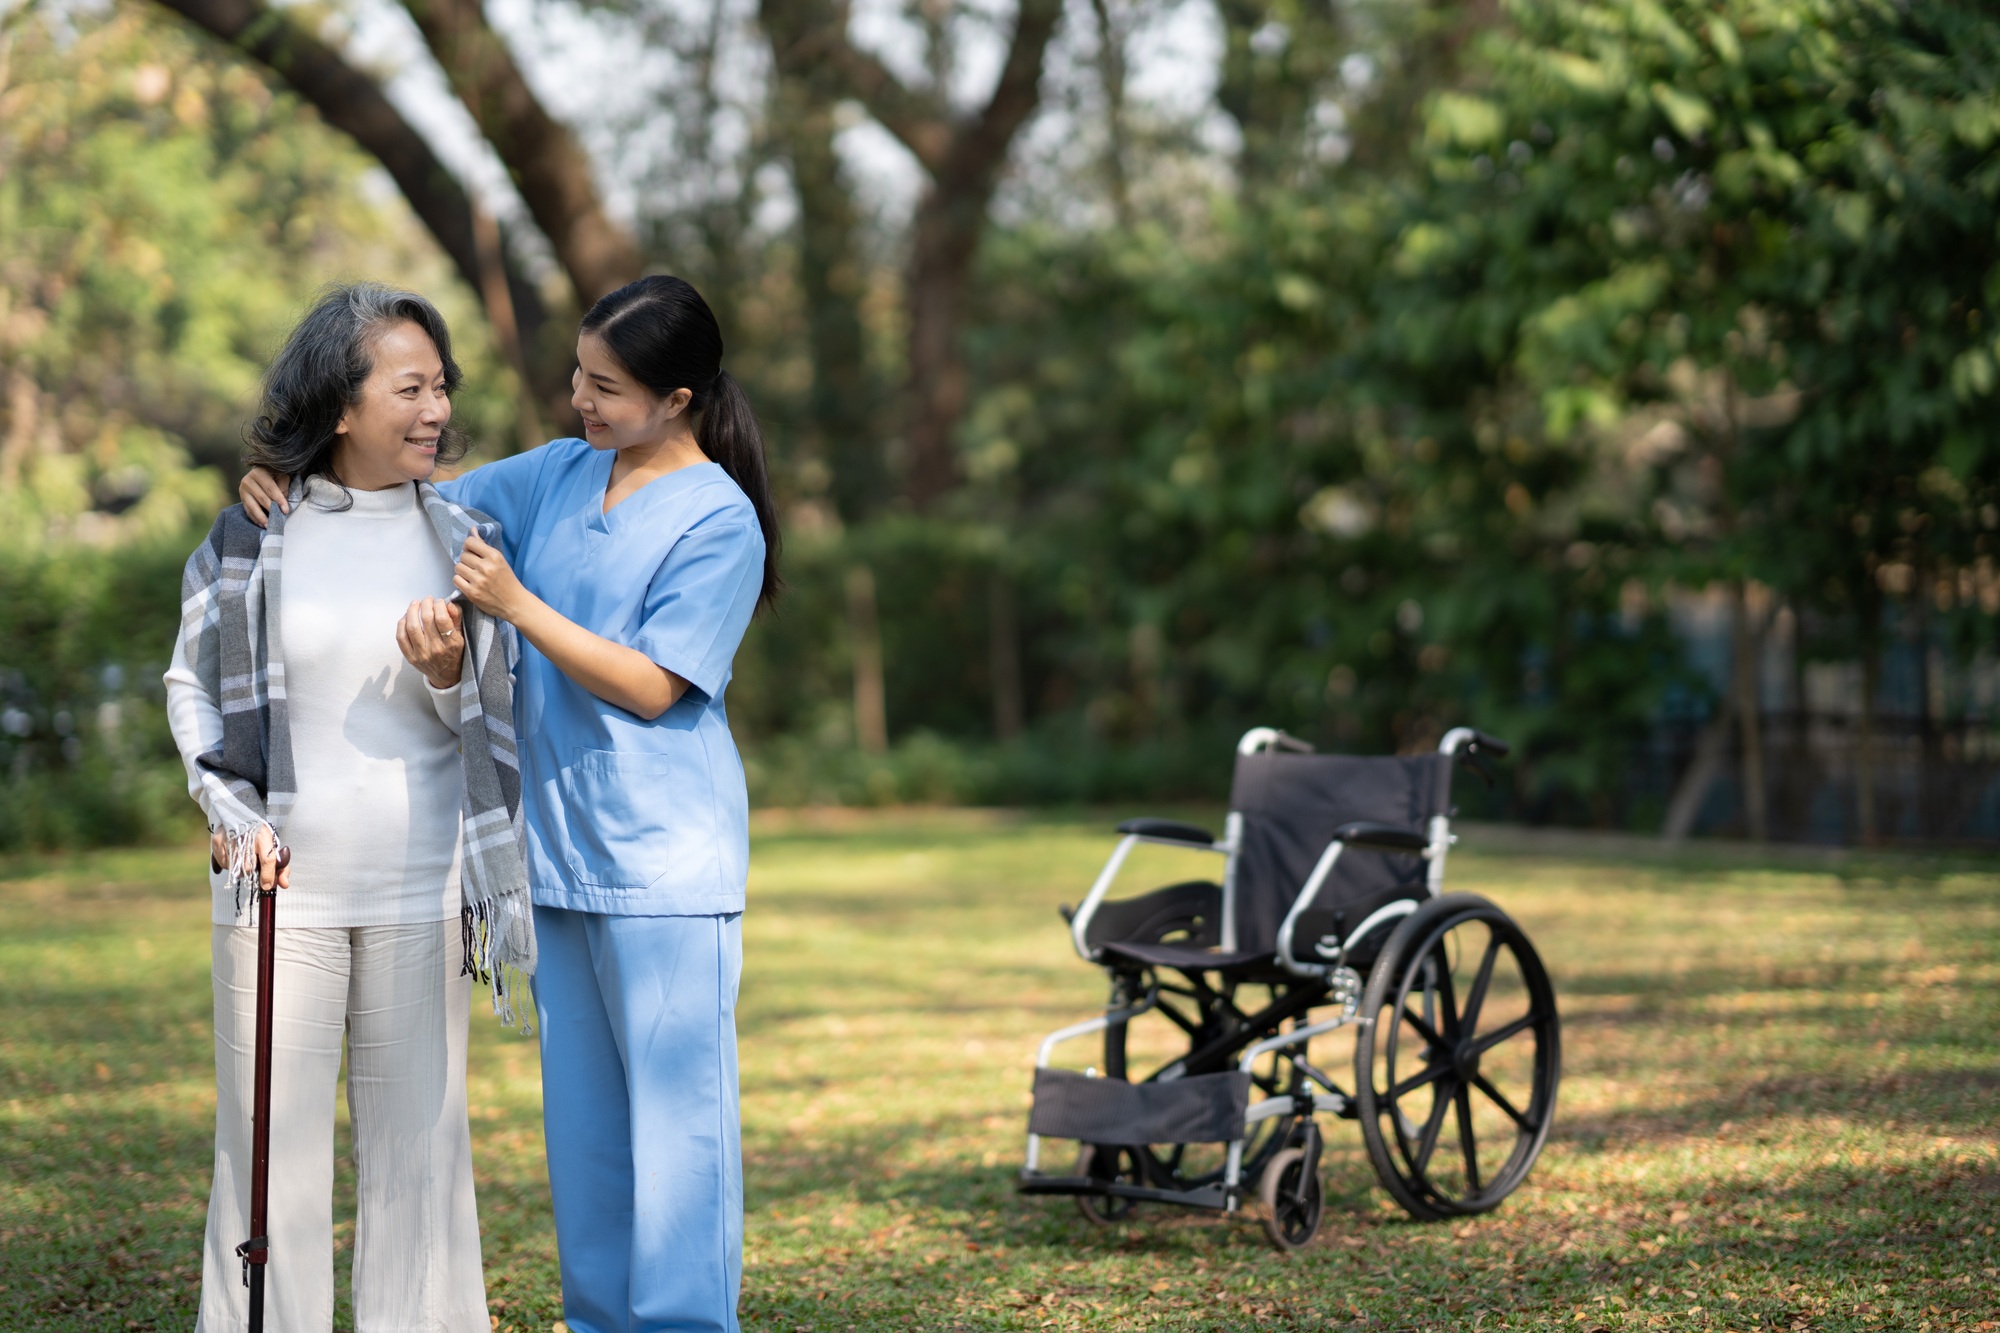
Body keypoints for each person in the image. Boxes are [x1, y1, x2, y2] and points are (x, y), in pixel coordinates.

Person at [240, 274, 780, 1333]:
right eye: (578, 374)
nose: (581, 400)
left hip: (667, 864)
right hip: (558, 860)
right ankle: (597, 1321)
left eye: (607, 386)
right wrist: (286, 478)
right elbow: (409, 497)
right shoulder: (563, 475)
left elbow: (653, 683)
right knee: (581, 1130)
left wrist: (517, 605)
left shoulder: (721, 521)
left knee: (679, 1136)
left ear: (677, 397)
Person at [171, 282, 532, 1332]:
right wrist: (234, 815)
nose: (434, 409)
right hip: (279, 888)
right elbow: (192, 687)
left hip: (425, 887)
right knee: (266, 1152)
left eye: (440, 387)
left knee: (421, 1154)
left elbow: (489, 709)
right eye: (408, 387)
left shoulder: (466, 533)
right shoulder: (249, 535)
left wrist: (452, 669)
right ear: (339, 404)